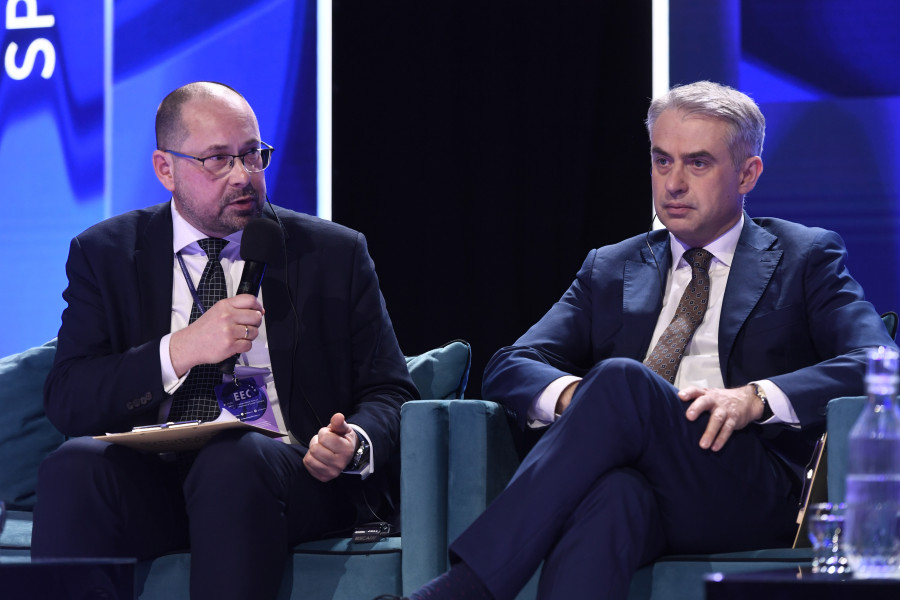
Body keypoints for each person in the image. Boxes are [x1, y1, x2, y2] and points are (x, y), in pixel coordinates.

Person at [384, 81, 898, 600]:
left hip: (748, 483)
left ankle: (467, 587)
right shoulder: (611, 267)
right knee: (615, 495)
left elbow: (879, 360)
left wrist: (755, 397)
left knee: (622, 381)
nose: (673, 183)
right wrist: (585, 402)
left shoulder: (804, 256)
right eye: (661, 161)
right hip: (642, 479)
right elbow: (512, 364)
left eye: (698, 164)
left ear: (747, 173)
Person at [32, 81, 418, 600]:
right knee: (73, 467)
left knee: (232, 459)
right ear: (165, 169)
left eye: (253, 155)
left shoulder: (332, 253)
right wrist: (183, 348)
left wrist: (353, 444)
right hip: (157, 481)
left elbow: (391, 390)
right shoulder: (105, 254)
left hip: (285, 478)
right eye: (217, 160)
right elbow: (69, 397)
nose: (243, 176)